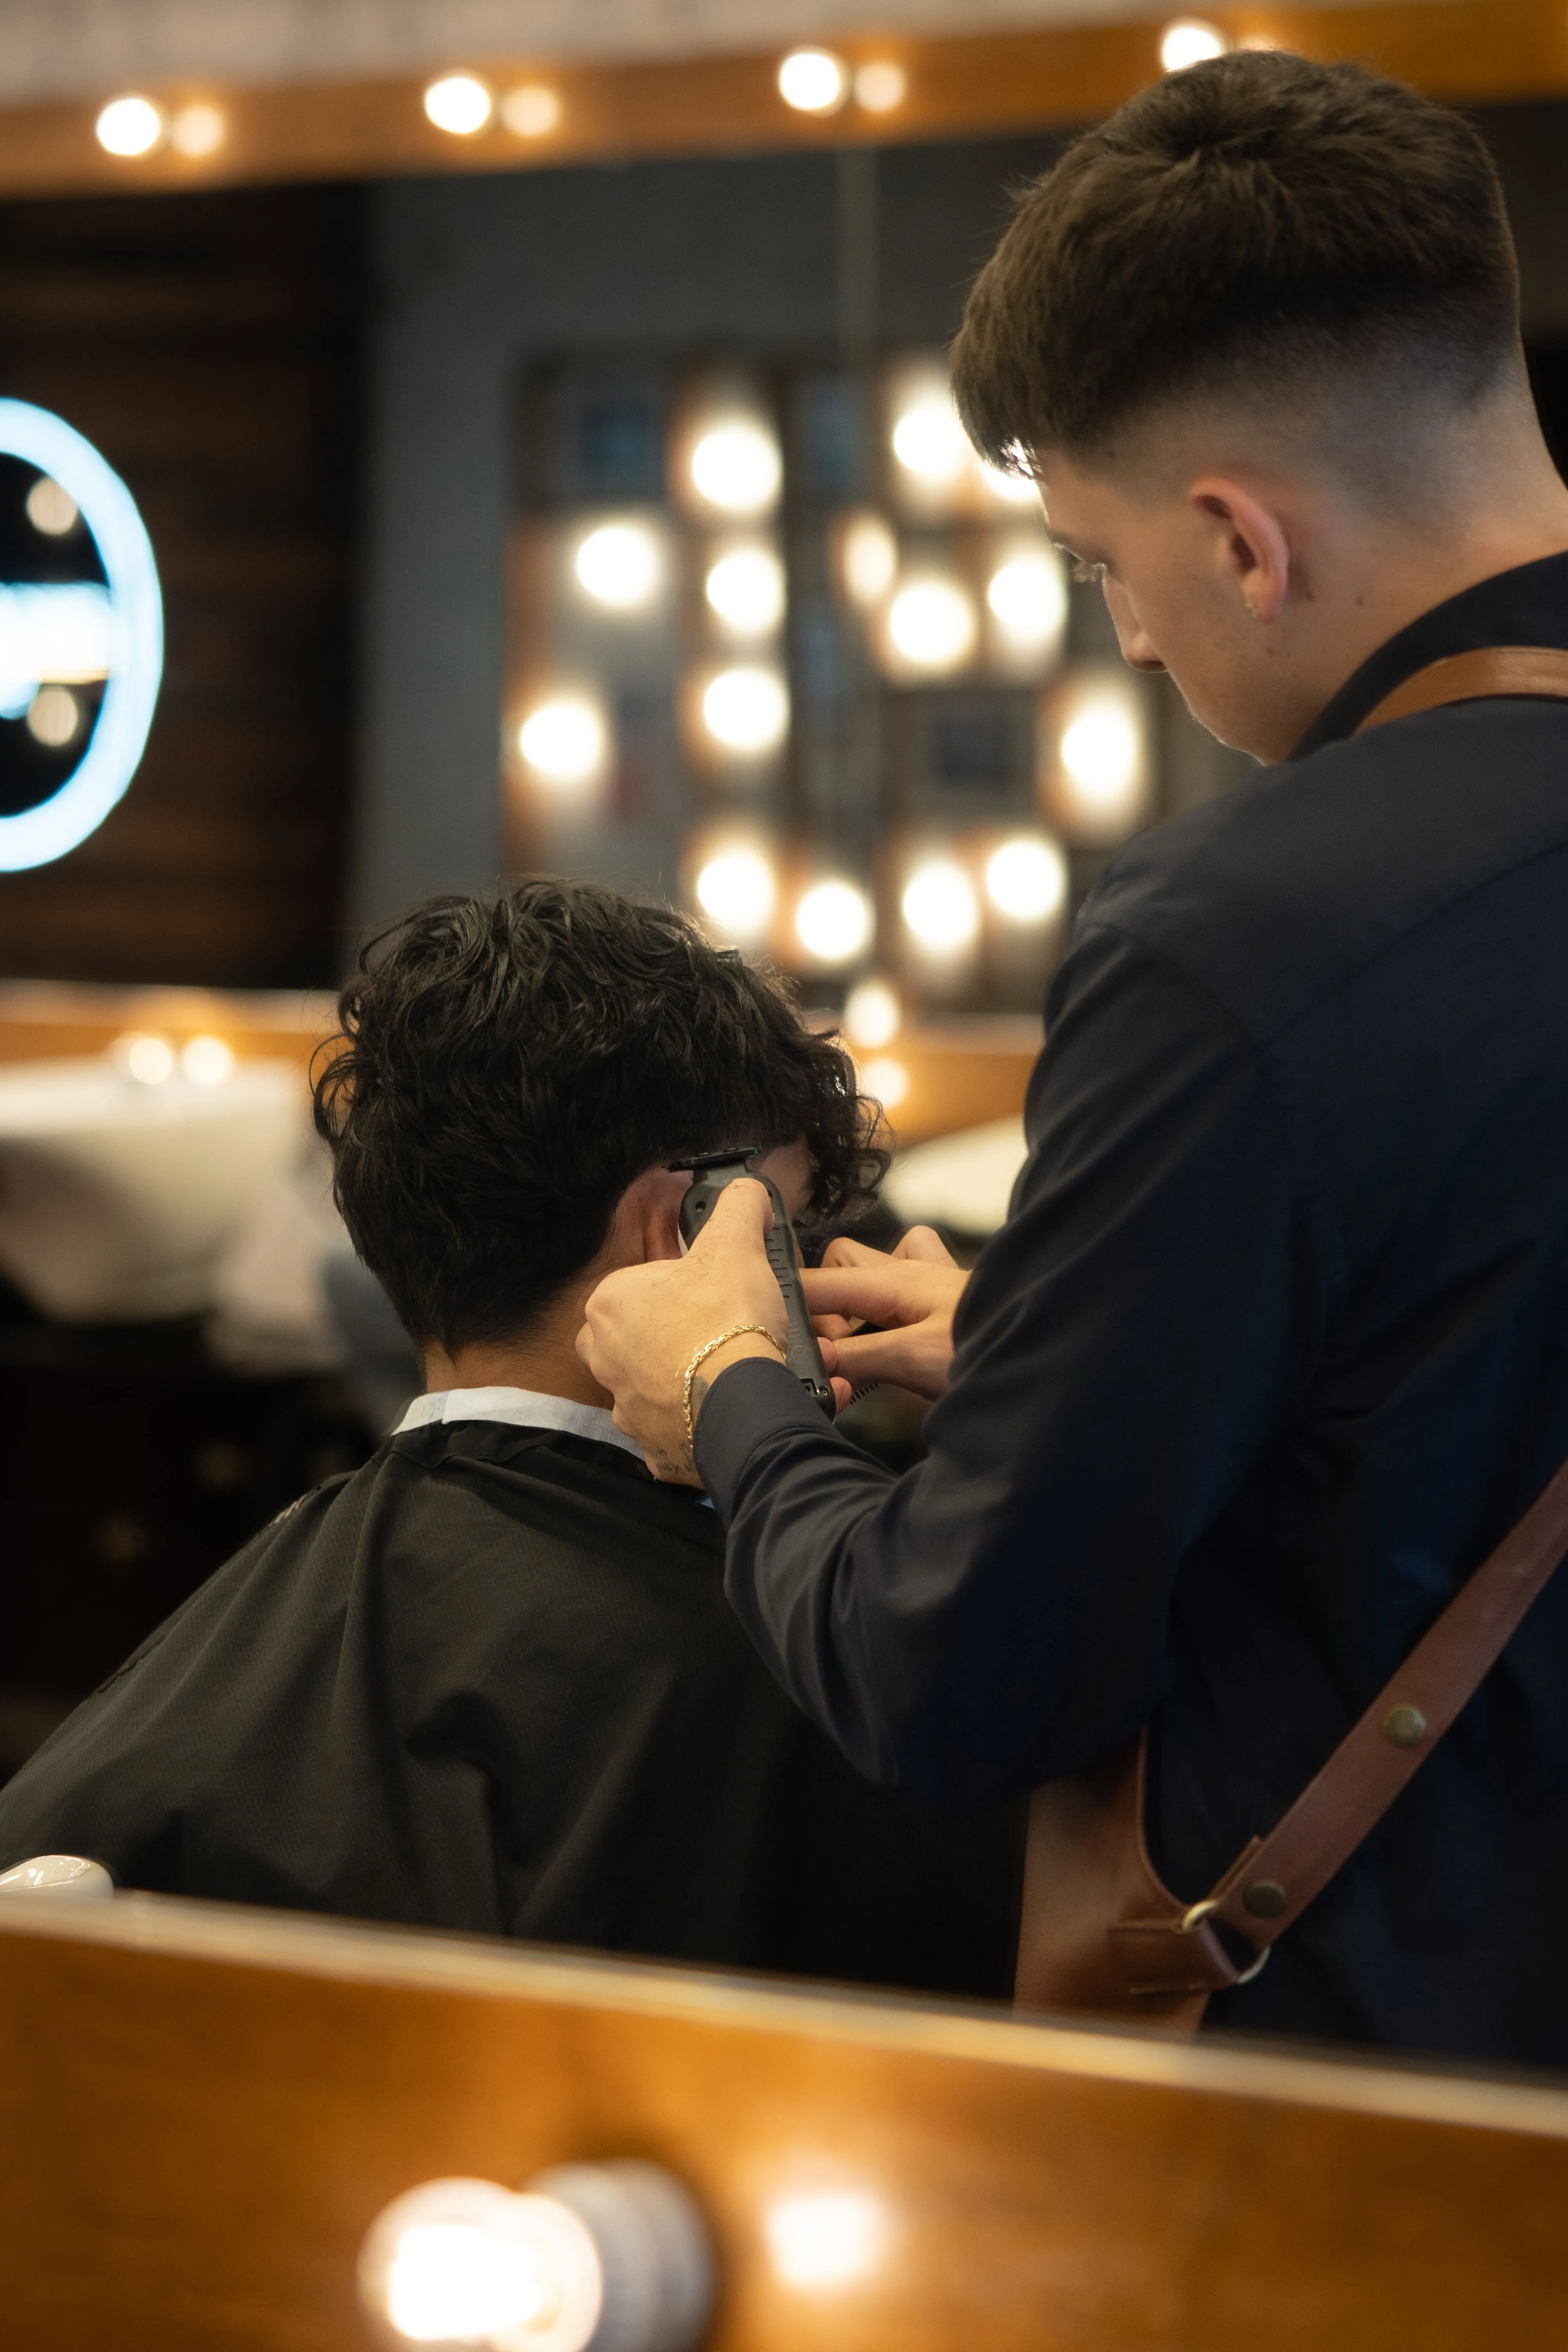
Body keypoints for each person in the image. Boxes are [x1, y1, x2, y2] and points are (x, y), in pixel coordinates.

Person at [578, 53, 1568, 2065]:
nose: (1125, 636)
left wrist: (736, 1399)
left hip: (1380, 2100)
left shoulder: (1241, 939)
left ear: (1236, 538)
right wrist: (1048, 1338)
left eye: (1100, 568)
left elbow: (953, 1679)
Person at [0, 884, 1023, 1997]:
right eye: (796, 1233)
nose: (825, 1301)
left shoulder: (218, 1653)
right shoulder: (841, 1661)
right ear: (673, 1230)